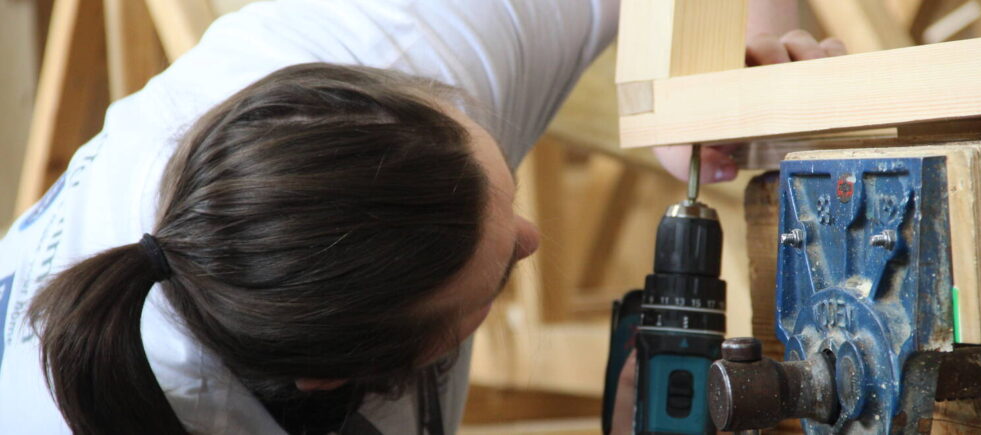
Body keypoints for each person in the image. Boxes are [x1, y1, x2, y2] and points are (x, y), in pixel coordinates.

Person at [0, 1, 844, 433]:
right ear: (344, 376)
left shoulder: (399, 39)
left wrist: (718, 76)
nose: (532, 237)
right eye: (499, 276)